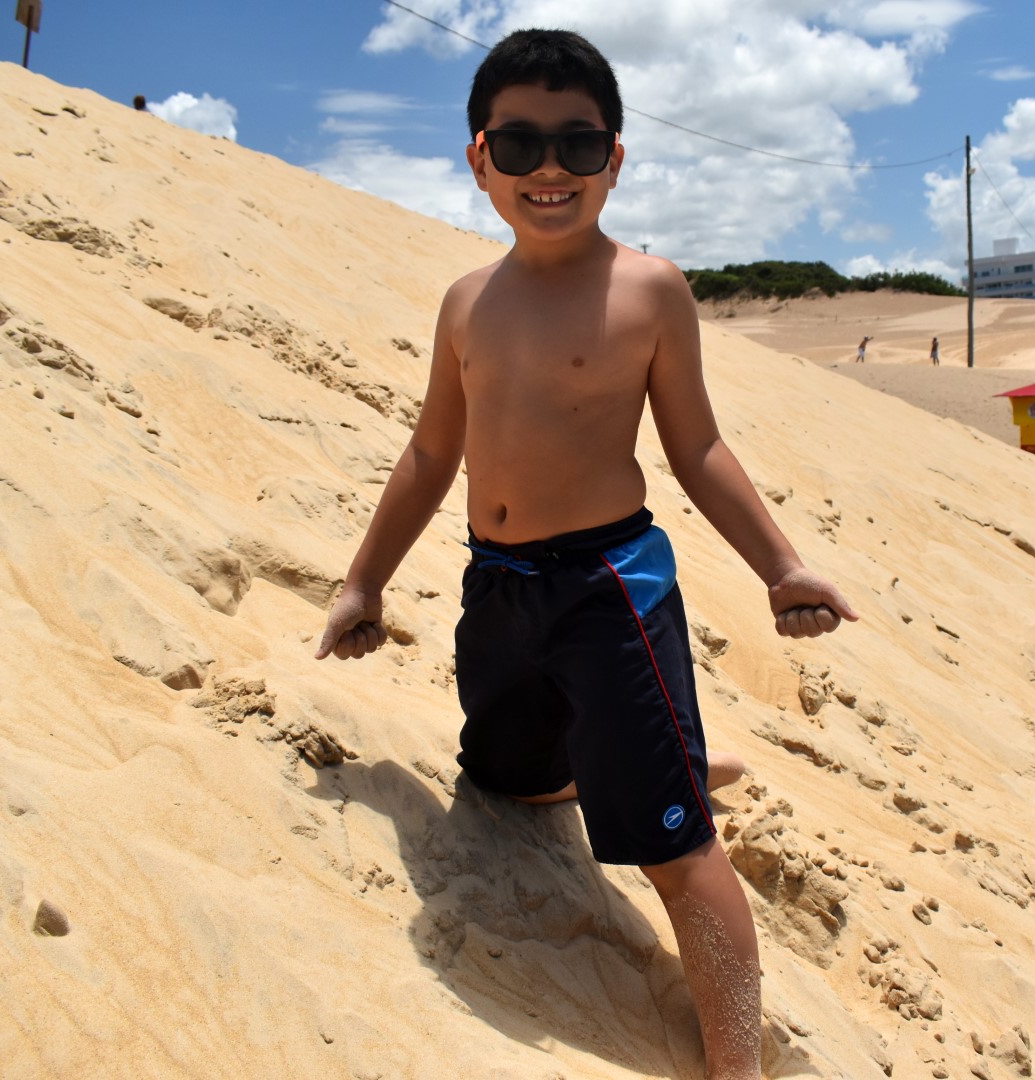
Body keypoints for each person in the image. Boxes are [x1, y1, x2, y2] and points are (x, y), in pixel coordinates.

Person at [313, 30, 856, 1080]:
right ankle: (603, 772)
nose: (549, 171)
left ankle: (735, 1062)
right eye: (518, 146)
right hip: (498, 586)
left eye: (577, 143)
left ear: (617, 156)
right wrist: (363, 580)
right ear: (479, 160)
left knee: (674, 849)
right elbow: (433, 449)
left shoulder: (649, 292)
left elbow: (696, 446)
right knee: (501, 779)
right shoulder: (467, 302)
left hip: (611, 589)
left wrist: (780, 566)